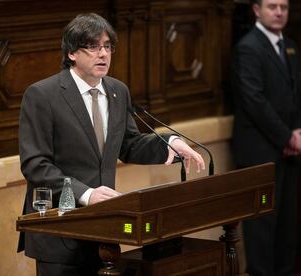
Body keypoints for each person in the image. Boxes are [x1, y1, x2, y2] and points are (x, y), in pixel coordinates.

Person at [17, 13, 205, 276]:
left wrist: (169, 144)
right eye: (93, 47)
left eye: (107, 46)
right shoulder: (42, 95)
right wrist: (87, 194)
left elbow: (128, 143)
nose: (102, 54)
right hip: (59, 231)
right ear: (72, 52)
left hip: (104, 229)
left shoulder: (118, 91)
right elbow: (35, 164)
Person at [231, 0, 301, 275]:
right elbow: (254, 101)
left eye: (284, 7)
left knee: (287, 225)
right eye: (272, 6)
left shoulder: (290, 45)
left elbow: (300, 91)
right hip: (260, 151)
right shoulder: (248, 48)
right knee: (262, 225)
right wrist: (287, 137)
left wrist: (297, 132)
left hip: (288, 149)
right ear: (256, 10)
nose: (279, 12)